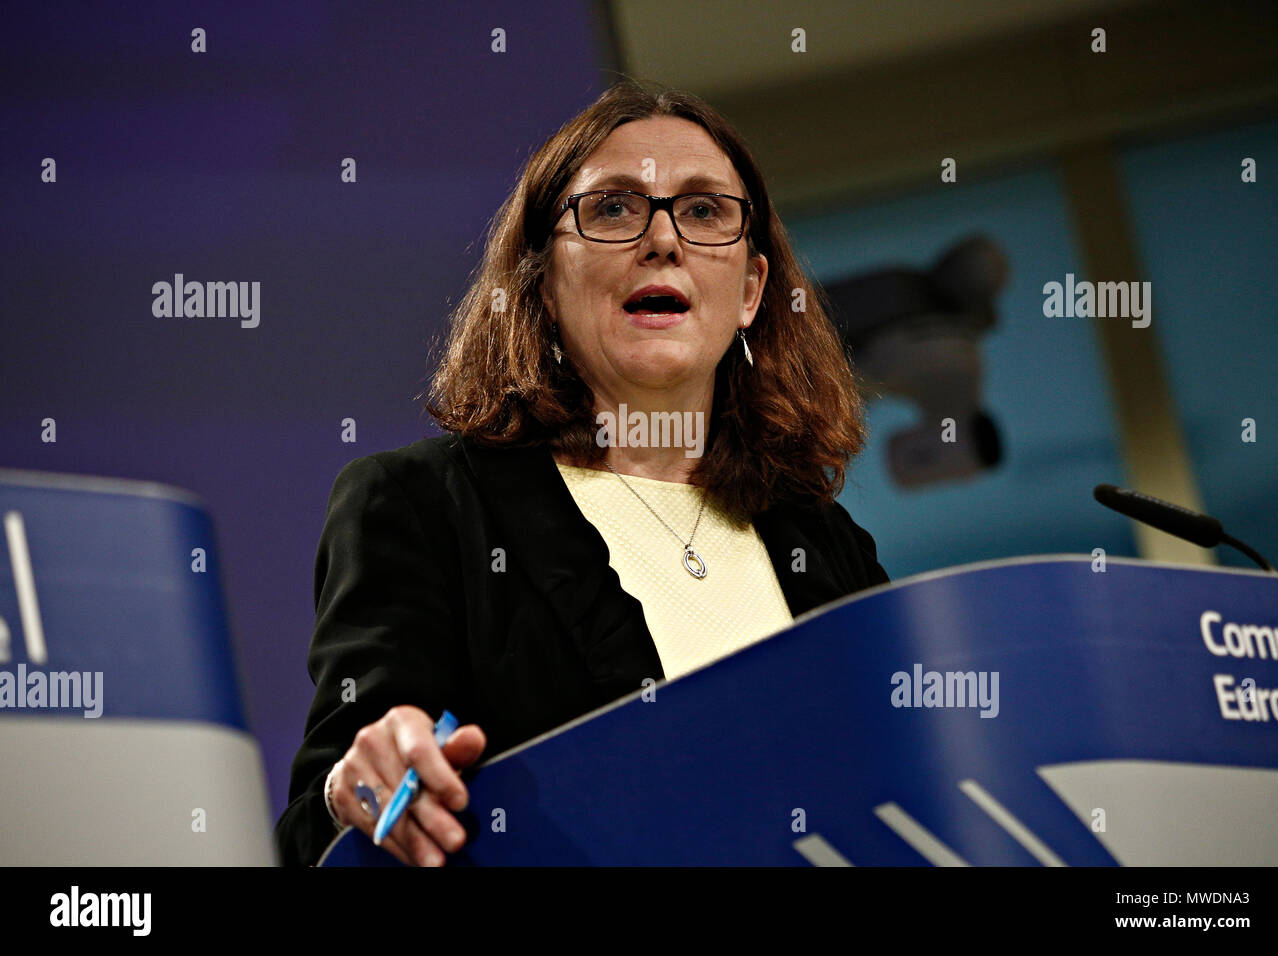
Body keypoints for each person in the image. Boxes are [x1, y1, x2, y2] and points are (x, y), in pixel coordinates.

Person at [274, 79, 889, 868]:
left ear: (749, 290)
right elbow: (316, 832)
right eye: (613, 209)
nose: (663, 240)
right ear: (542, 282)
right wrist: (354, 789)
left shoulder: (827, 542)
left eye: (703, 211)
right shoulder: (423, 507)